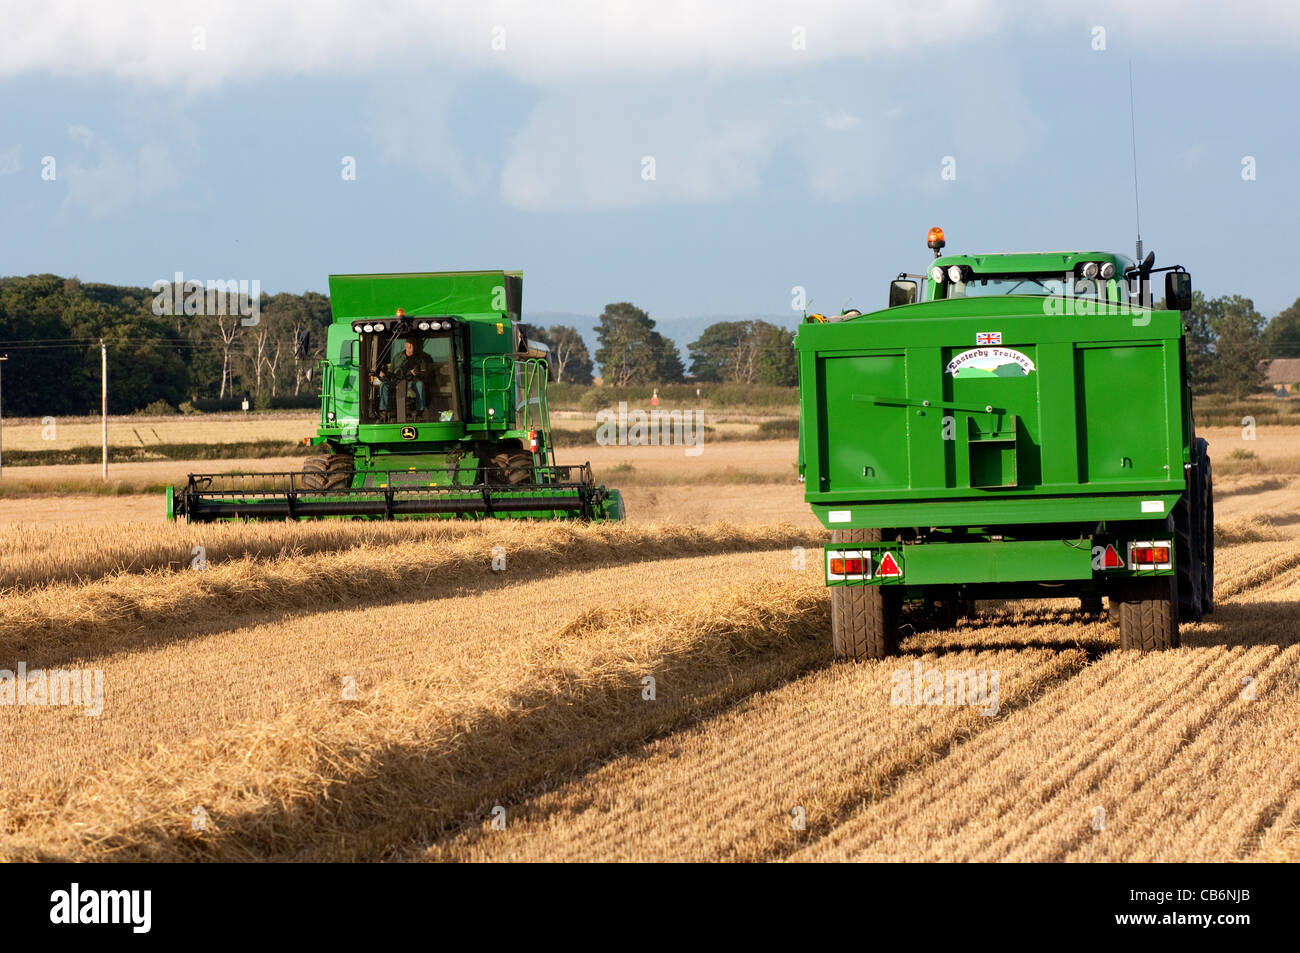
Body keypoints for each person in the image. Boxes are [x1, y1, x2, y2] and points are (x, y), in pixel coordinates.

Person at [378, 339, 436, 417]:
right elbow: (391, 372)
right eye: (410, 343)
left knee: (420, 384)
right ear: (406, 344)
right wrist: (384, 374)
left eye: (413, 343)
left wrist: (417, 373)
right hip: (396, 381)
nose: (412, 345)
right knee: (384, 385)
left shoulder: (421, 358)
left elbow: (425, 373)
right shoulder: (397, 357)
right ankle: (385, 411)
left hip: (411, 382)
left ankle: (420, 410)